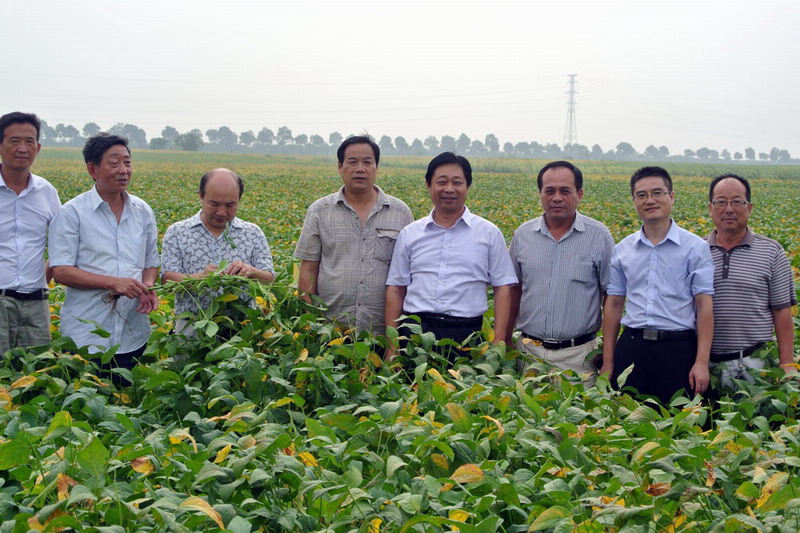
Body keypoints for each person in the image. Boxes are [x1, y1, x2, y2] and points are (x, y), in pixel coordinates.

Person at [385, 152, 517, 361]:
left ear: (467, 186)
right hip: (415, 331)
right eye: (441, 182)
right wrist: (392, 347)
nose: (449, 189)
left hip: (467, 334)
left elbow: (502, 288)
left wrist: (498, 340)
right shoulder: (410, 234)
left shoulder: (489, 233)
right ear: (428, 185)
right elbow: (396, 288)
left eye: (457, 182)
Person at [600, 166, 714, 403]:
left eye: (657, 193)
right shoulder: (623, 249)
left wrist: (701, 362)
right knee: (626, 417)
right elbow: (614, 304)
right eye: (641, 195)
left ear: (671, 197)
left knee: (680, 419)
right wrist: (609, 361)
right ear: (634, 201)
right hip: (632, 347)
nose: (650, 200)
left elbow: (704, 306)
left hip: (678, 349)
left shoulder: (695, 248)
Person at [49, 134, 159, 370]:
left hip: (133, 333)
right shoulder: (72, 213)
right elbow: (61, 271)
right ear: (93, 169)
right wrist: (114, 283)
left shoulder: (142, 211)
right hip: (86, 336)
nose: (123, 170)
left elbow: (150, 262)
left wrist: (147, 286)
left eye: (127, 162)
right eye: (114, 163)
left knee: (129, 389)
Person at [295, 135, 413, 336]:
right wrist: (311, 323)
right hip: (330, 329)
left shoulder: (400, 212)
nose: (360, 169)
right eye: (352, 162)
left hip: (382, 331)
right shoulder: (319, 211)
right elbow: (308, 269)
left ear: (376, 167)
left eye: (367, 162)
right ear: (340, 167)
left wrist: (395, 338)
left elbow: (409, 272)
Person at [507, 161, 614, 382]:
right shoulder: (523, 235)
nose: (557, 198)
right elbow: (513, 290)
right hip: (529, 352)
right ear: (540, 194)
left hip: (579, 355)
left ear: (579, 194)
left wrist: (608, 353)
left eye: (565, 191)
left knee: (582, 405)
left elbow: (612, 297)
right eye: (550, 191)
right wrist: (505, 338)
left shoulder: (598, 236)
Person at [706, 174, 796, 388]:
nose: (729, 209)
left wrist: (787, 363)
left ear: (749, 207)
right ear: (710, 208)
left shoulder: (772, 252)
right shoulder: (695, 251)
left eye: (737, 202)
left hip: (754, 363)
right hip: (704, 364)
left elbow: (782, 311)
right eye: (721, 202)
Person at [161, 168, 275, 335]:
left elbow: (269, 279)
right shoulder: (177, 232)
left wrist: (251, 271)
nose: (222, 212)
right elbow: (167, 280)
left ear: (239, 199)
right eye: (214, 204)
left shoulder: (253, 233)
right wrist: (201, 277)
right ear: (201, 196)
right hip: (192, 327)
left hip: (241, 328)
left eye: (230, 205)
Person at [0, 112, 61, 354]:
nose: (23, 148)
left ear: (38, 148)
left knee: (38, 369)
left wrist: (42, 280)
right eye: (14, 141)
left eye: (29, 141)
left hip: (36, 303)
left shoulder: (46, 192)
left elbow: (61, 244)